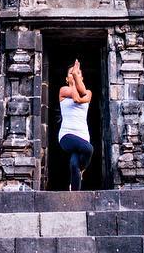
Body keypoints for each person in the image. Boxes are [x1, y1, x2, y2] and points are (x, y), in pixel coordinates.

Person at [58, 59, 93, 191]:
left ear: (81, 77)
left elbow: (83, 94)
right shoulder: (63, 90)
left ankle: (74, 193)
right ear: (67, 79)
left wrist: (76, 76)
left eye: (78, 73)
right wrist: (74, 79)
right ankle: (82, 170)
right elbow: (76, 98)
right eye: (71, 74)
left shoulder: (89, 93)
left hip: (83, 135)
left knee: (74, 165)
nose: (74, 75)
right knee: (89, 149)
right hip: (66, 136)